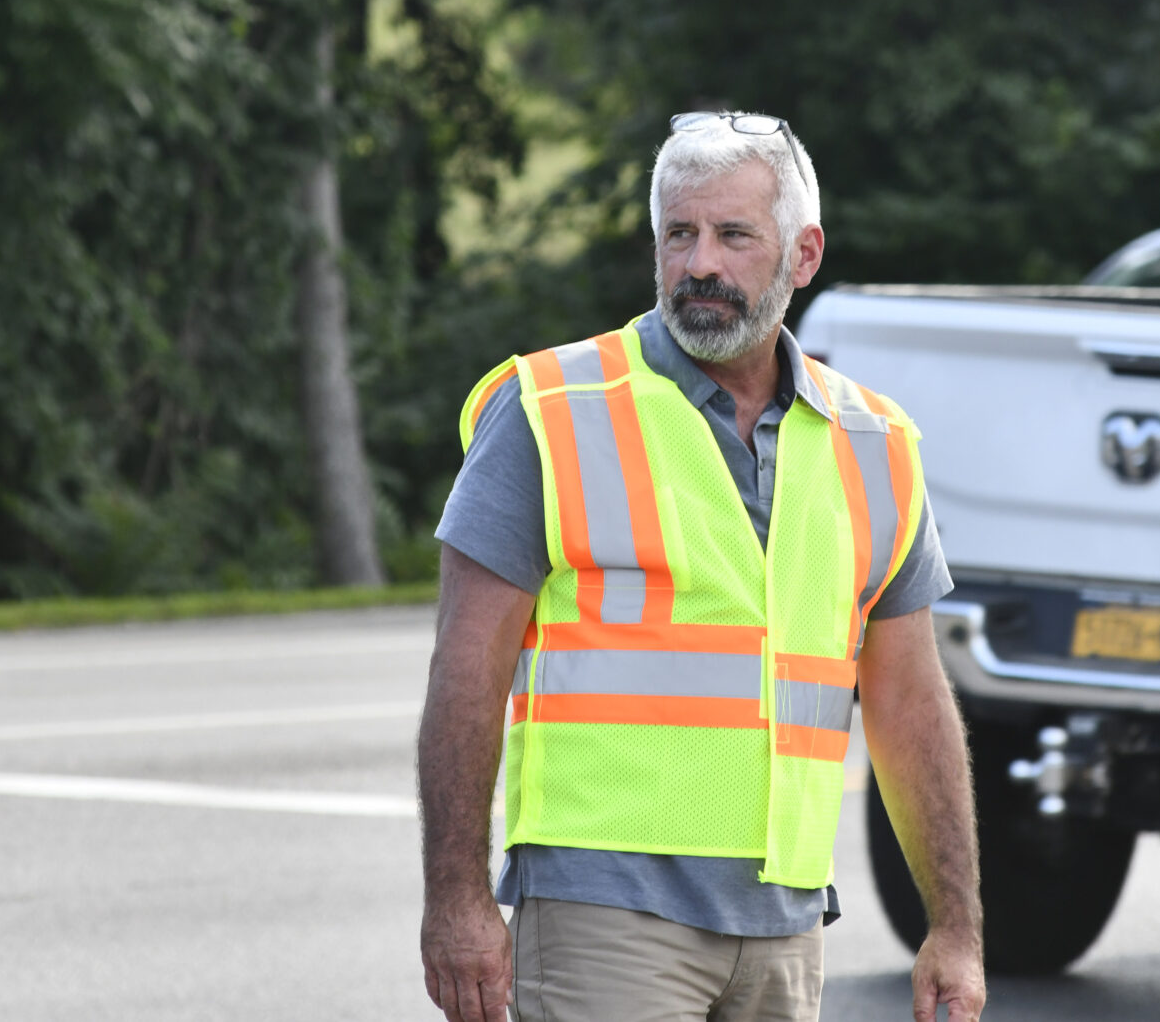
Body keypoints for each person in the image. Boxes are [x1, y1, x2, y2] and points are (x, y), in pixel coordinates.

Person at [417, 112, 986, 1022]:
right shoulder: (549, 410)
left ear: (803, 255)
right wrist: (455, 901)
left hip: (784, 921)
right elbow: (465, 670)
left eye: (733, 235)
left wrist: (954, 926)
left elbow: (912, 701)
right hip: (602, 909)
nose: (699, 264)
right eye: (678, 233)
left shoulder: (874, 442)